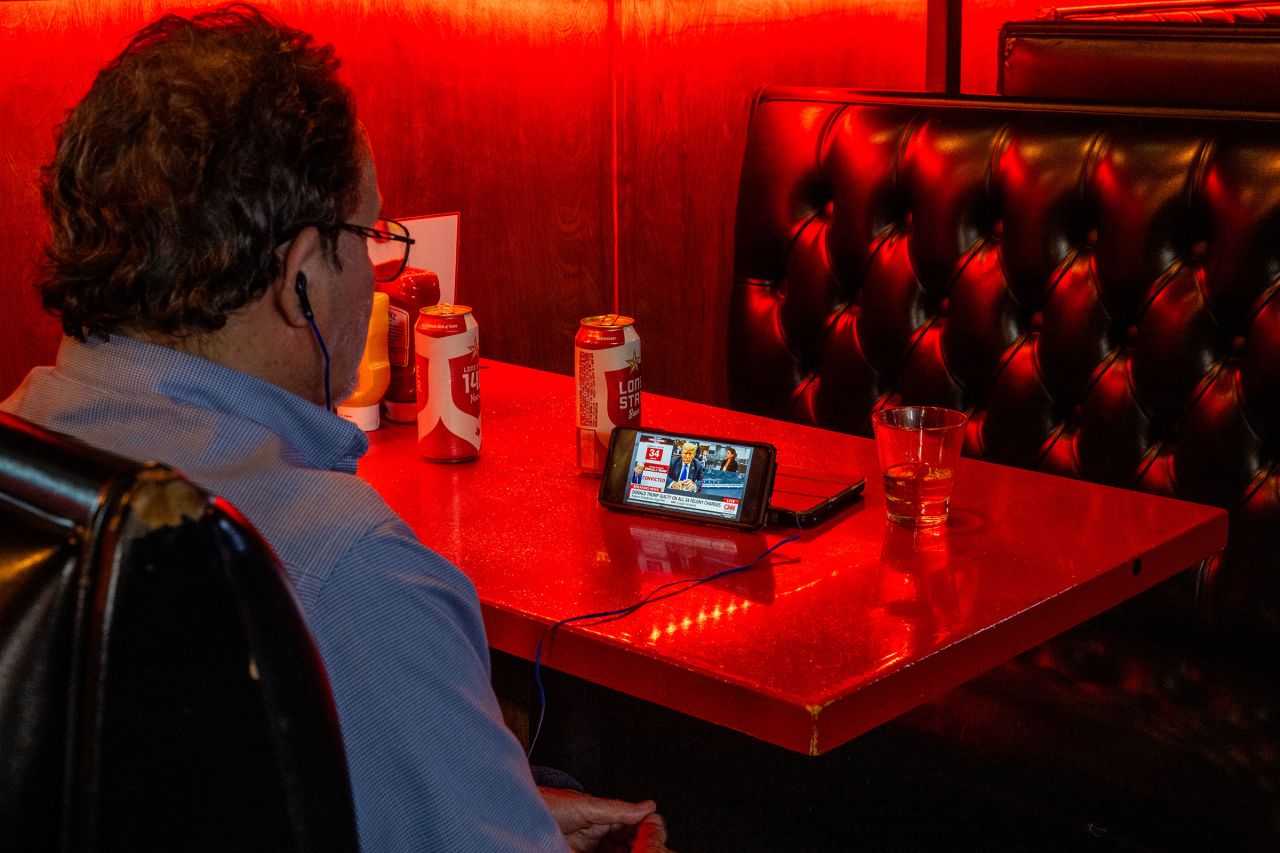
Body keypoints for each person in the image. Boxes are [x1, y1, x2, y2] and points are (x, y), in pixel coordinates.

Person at [0, 7, 672, 852]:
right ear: (300, 278)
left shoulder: (23, 446)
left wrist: (497, 804)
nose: (375, 272)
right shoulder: (348, 570)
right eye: (369, 236)